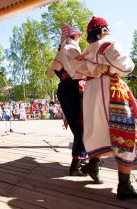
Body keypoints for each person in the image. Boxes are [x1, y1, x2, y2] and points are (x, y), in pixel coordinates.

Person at [74, 16, 137, 199]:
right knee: (122, 133)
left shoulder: (85, 51)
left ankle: (92, 164)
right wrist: (111, 68)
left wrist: (98, 68)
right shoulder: (109, 45)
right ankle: (124, 185)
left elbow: (75, 71)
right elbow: (127, 66)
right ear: (103, 30)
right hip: (112, 92)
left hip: (92, 93)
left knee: (99, 131)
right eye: (106, 29)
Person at [49, 23, 88, 176]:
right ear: (75, 36)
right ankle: (77, 164)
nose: (80, 37)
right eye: (78, 35)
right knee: (82, 126)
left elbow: (54, 71)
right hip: (73, 87)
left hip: (64, 88)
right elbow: (81, 68)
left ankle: (81, 157)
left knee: (77, 126)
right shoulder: (70, 48)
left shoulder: (61, 50)